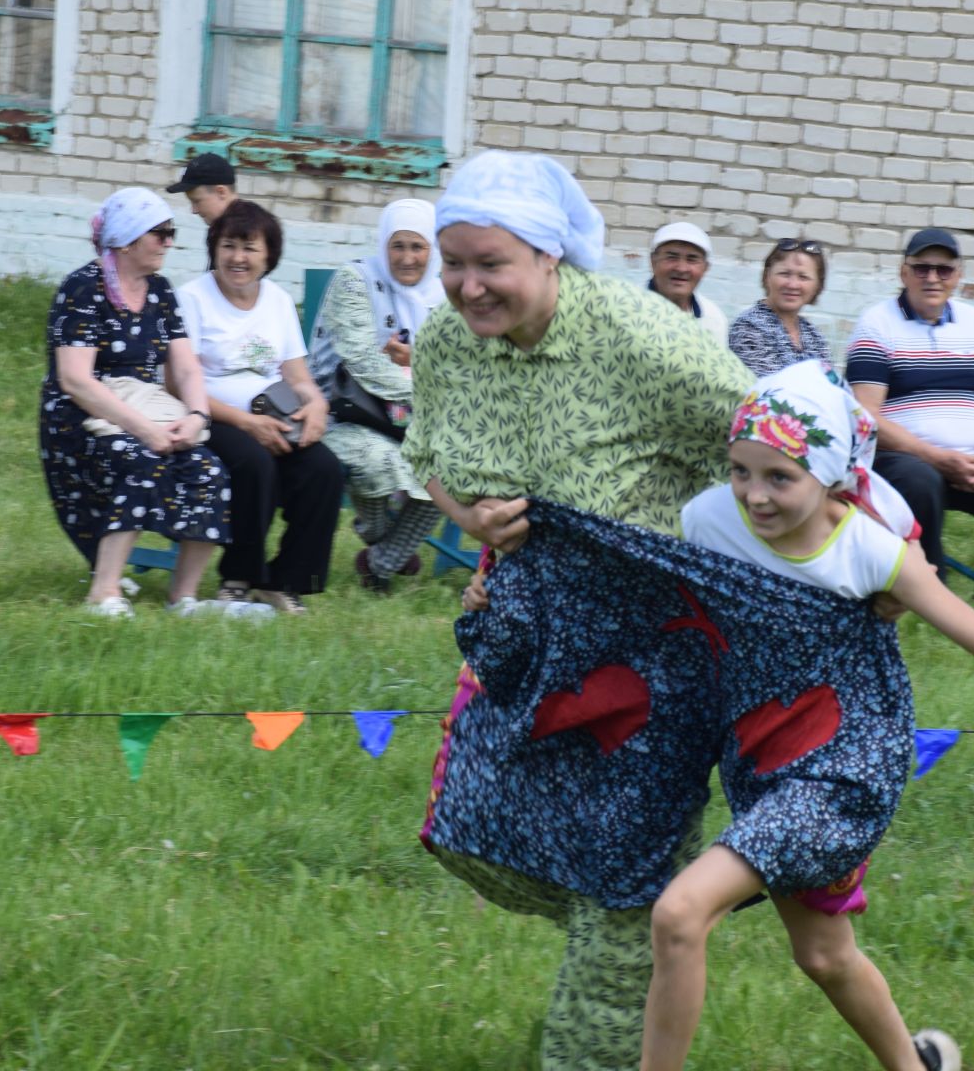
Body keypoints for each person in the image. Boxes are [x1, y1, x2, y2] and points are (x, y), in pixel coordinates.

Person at [635, 361, 974, 1071]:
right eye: (742, 471)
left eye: (781, 477)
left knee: (680, 915)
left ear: (832, 473)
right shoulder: (707, 520)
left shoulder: (869, 550)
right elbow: (634, 599)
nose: (756, 495)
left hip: (846, 769)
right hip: (760, 762)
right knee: (824, 955)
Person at [405, 150, 755, 1071]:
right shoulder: (446, 340)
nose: (469, 286)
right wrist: (468, 517)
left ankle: (593, 1051)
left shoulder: (643, 340)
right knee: (485, 827)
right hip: (527, 643)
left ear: (551, 256)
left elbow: (777, 442)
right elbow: (426, 453)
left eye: (493, 264)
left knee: (624, 891)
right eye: (455, 262)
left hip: (655, 656)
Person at [39, 188, 252, 619]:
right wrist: (145, 430)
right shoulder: (82, 288)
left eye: (171, 233)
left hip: (145, 410)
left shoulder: (159, 290)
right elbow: (76, 380)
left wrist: (196, 417)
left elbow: (187, 368)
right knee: (140, 461)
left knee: (209, 470)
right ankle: (104, 590)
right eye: (160, 234)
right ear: (127, 238)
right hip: (81, 420)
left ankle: (184, 598)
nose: (169, 242)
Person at [845, 228, 974, 600]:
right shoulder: (876, 324)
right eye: (922, 268)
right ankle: (931, 591)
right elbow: (866, 416)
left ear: (958, 276)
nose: (932, 278)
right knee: (920, 481)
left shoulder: (973, 322)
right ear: (904, 272)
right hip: (906, 458)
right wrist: (934, 457)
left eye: (943, 270)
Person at [178, 200, 342, 615]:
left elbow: (299, 377)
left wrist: (316, 407)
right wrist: (247, 423)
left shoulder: (278, 301)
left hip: (272, 415)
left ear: (269, 255)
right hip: (210, 416)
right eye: (229, 245)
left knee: (324, 470)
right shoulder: (192, 299)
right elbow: (179, 384)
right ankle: (239, 576)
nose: (238, 257)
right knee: (255, 463)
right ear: (214, 248)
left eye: (250, 248)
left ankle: (286, 580)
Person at [308, 197, 445, 592]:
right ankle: (384, 542)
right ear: (383, 244)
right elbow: (362, 361)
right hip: (347, 410)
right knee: (377, 460)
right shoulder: (356, 280)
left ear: (432, 250)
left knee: (450, 466)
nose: (407, 258)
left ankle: (380, 562)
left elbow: (462, 365)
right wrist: (432, 389)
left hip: (415, 418)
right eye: (397, 245)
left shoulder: (442, 295)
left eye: (417, 246)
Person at [727, 237, 832, 376]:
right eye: (784, 274)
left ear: (818, 285)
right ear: (767, 276)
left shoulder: (814, 336)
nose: (792, 284)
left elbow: (831, 387)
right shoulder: (749, 328)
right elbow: (770, 392)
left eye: (803, 277)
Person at [646, 221, 729, 346]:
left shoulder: (713, 319)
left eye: (692, 259)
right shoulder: (626, 308)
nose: (681, 268)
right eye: (672, 257)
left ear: (705, 268)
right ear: (653, 261)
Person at [165, 152, 238, 224]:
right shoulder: (225, 231)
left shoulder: (245, 233)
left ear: (221, 192)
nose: (194, 211)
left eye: (197, 201)